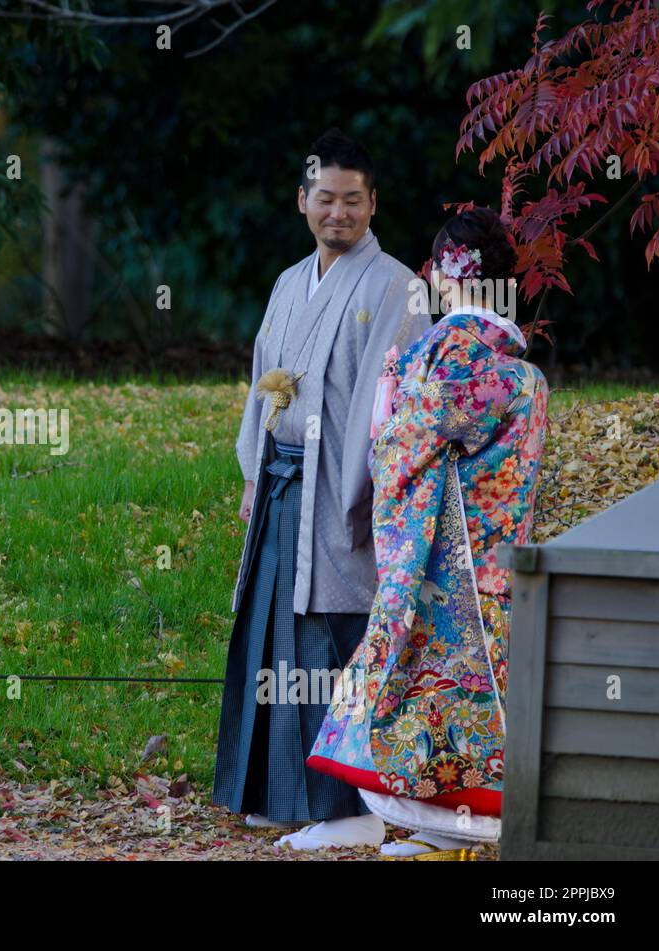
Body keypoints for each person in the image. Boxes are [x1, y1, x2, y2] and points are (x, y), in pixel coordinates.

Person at [306, 206, 549, 858]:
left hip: (438, 569)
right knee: (486, 691)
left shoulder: (430, 360)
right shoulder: (526, 378)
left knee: (422, 688)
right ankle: (469, 827)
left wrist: (387, 410)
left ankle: (436, 825)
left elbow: (394, 456)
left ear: (444, 277)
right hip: (498, 573)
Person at [212, 129, 428, 850]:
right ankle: (278, 794)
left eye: (353, 200)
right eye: (325, 198)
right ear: (304, 201)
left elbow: (387, 402)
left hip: (340, 492)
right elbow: (260, 385)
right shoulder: (286, 282)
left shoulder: (397, 285)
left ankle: (352, 806)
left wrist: (362, 498)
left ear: (373, 205)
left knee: (336, 636)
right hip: (280, 488)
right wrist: (254, 471)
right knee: (274, 638)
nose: (338, 212)